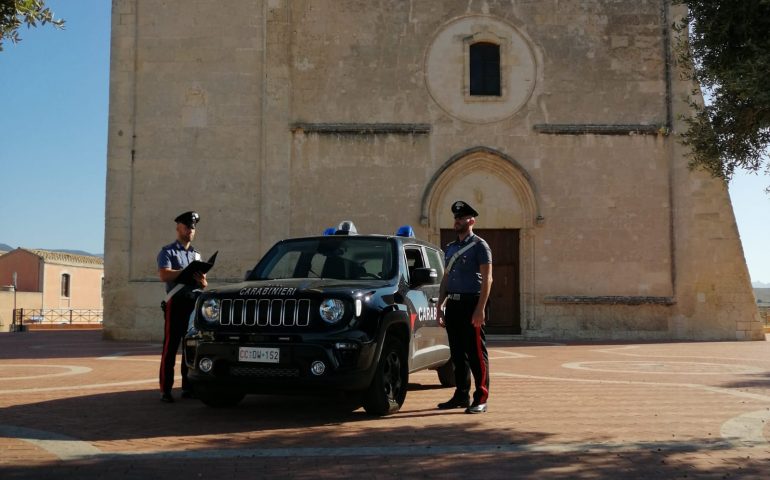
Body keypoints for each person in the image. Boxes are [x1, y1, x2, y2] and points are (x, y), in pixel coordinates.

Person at [436, 200, 493, 414]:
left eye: (461, 218)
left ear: (471, 221)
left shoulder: (480, 246)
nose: (457, 221)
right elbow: (446, 279)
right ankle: (461, 394)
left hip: (472, 303)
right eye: (456, 218)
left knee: (476, 354)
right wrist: (440, 305)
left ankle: (481, 397)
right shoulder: (450, 248)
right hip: (454, 304)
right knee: (457, 354)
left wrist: (480, 308)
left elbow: (488, 279)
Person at [157, 211, 207, 403]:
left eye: (193, 228)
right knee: (170, 346)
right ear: (178, 228)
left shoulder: (196, 254)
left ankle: (187, 387)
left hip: (193, 303)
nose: (190, 230)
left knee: (189, 346)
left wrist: (202, 281)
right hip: (176, 302)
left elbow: (204, 283)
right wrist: (185, 272)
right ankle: (165, 389)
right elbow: (164, 275)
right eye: (187, 227)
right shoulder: (167, 252)